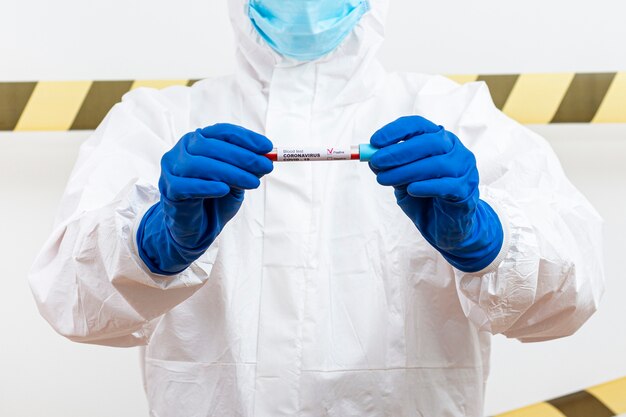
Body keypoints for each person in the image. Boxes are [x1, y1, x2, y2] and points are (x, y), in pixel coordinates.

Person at [29, 0, 604, 416]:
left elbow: (571, 300)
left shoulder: (456, 115)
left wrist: (487, 240)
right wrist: (151, 246)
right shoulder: (158, 122)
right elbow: (68, 301)